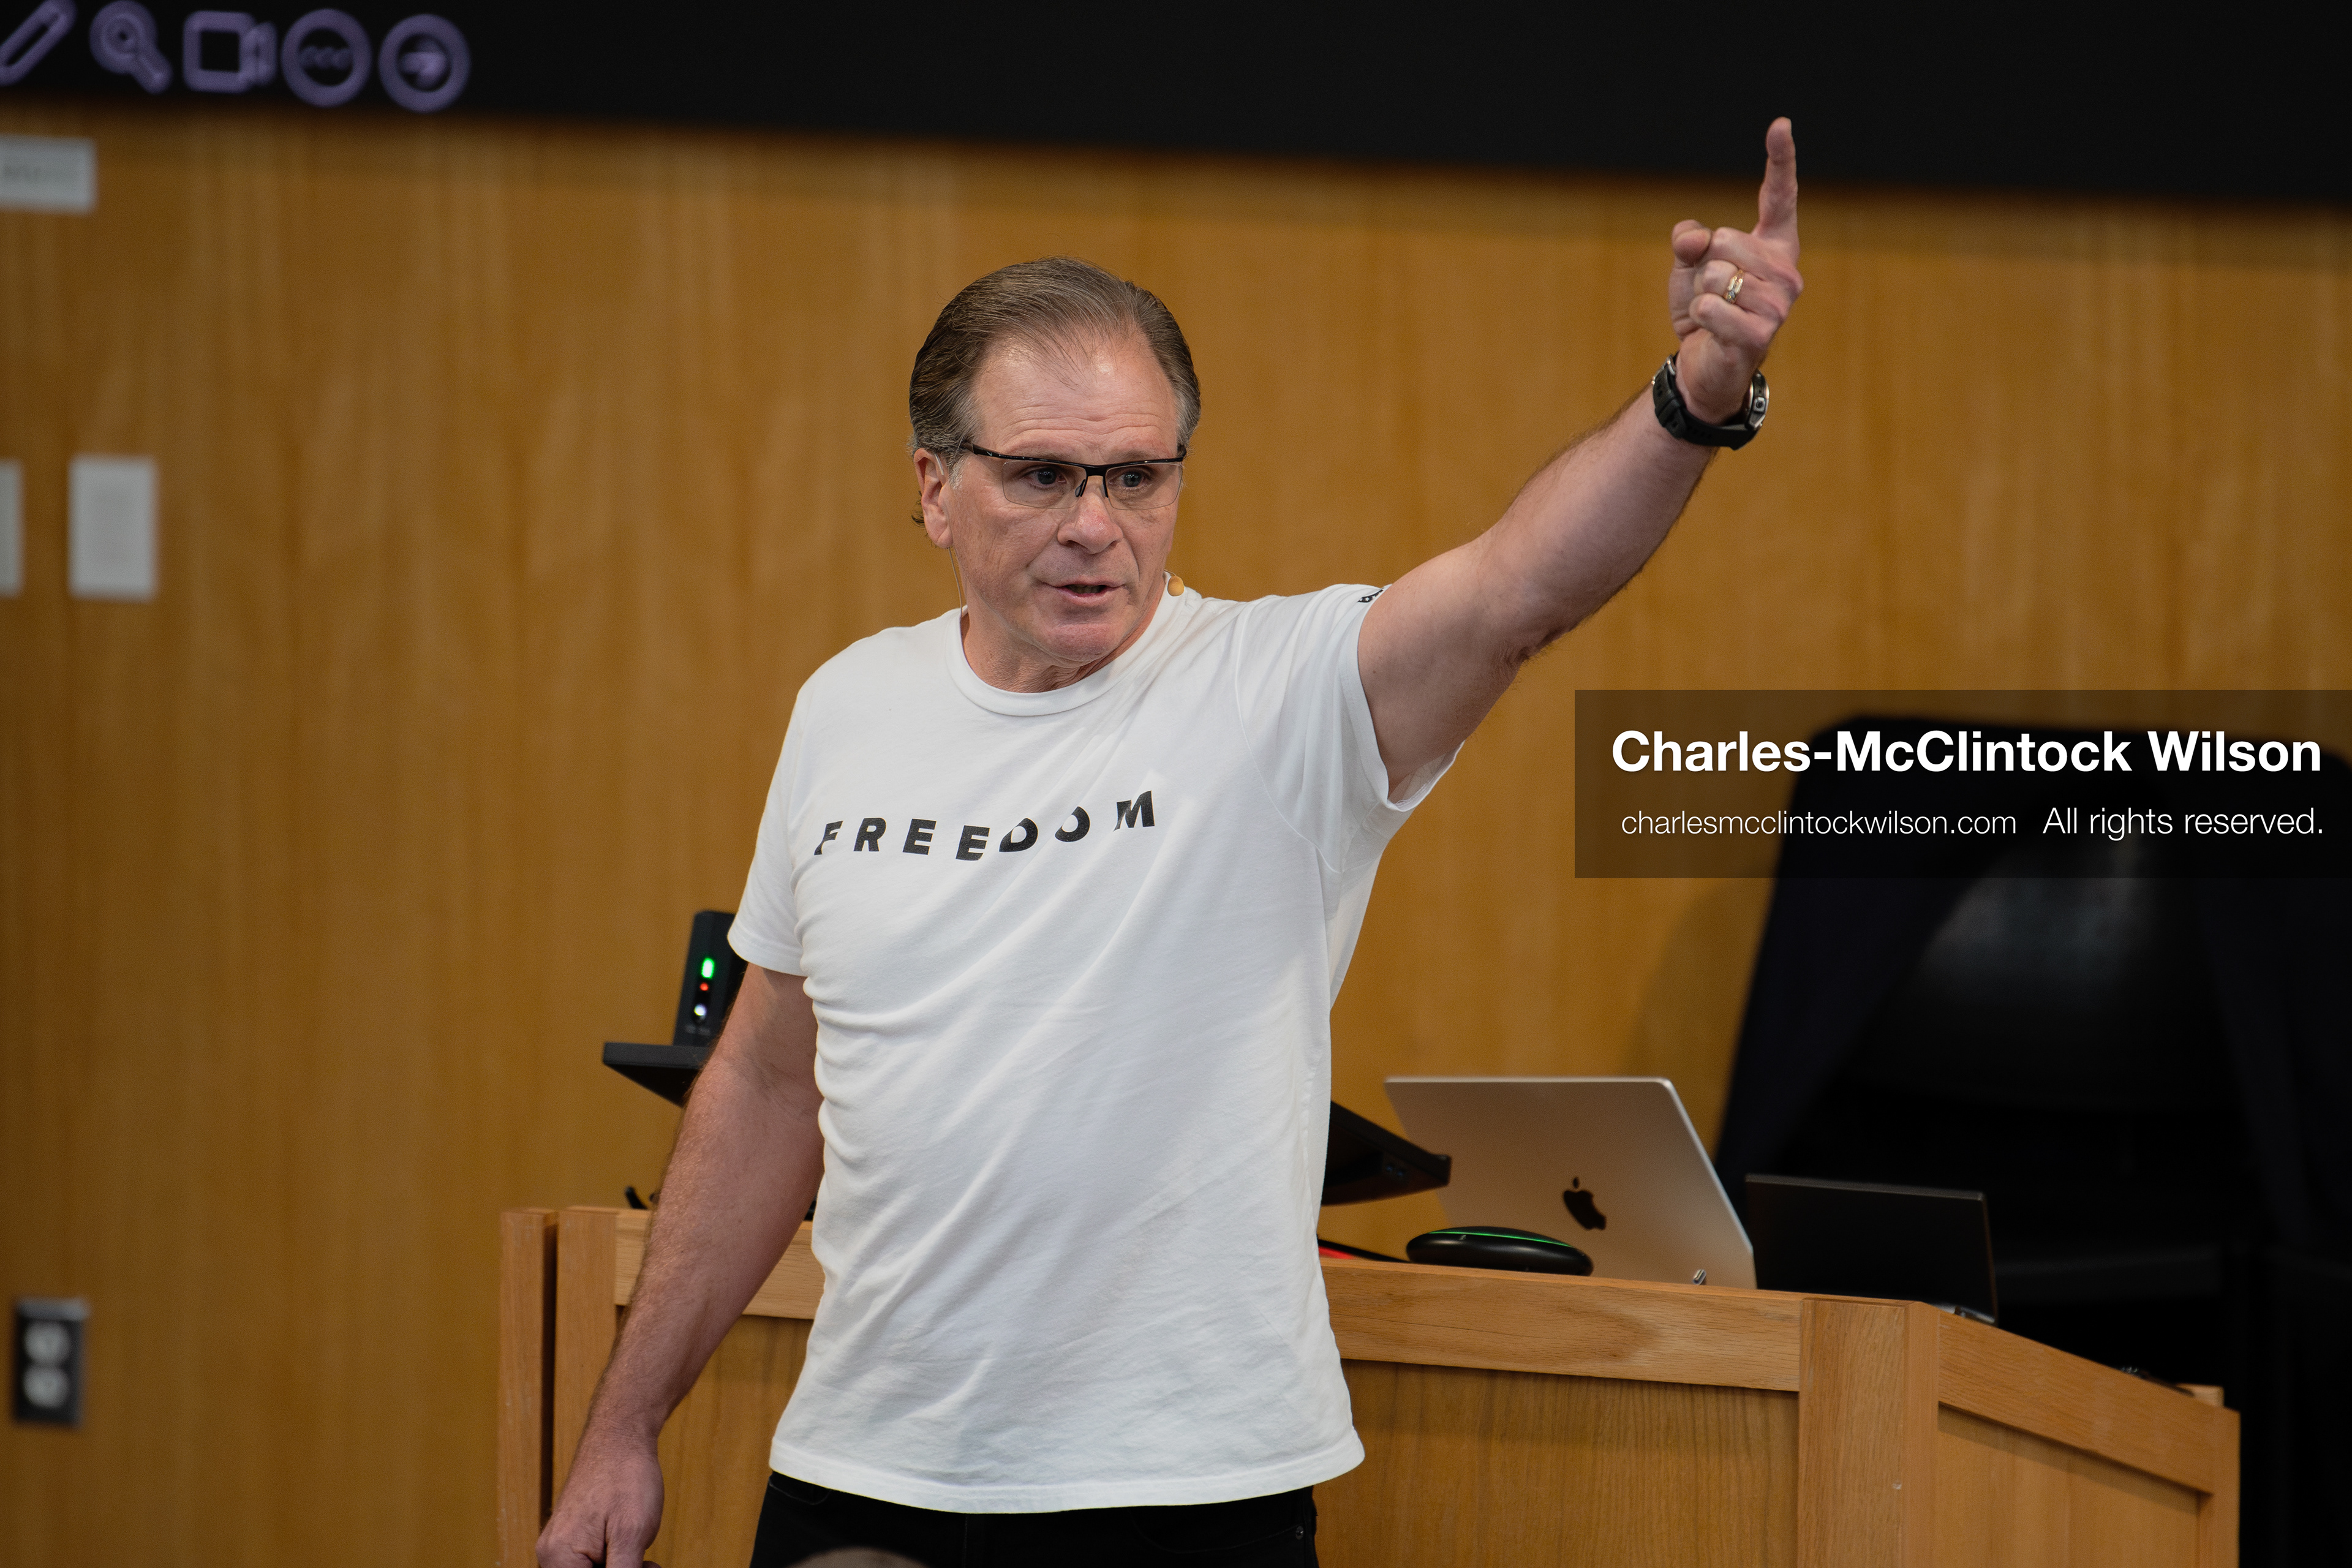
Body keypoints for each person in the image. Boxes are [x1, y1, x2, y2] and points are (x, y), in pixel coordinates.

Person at [540, 120, 1803, 1568]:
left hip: (1185, 1494)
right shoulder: (849, 706)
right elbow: (767, 1083)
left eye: (1138, 477)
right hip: (868, 1475)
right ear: (934, 486)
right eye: (1043, 477)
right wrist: (619, 1429)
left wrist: (1699, 397)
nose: (1097, 527)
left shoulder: (1277, 696)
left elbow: (1519, 586)